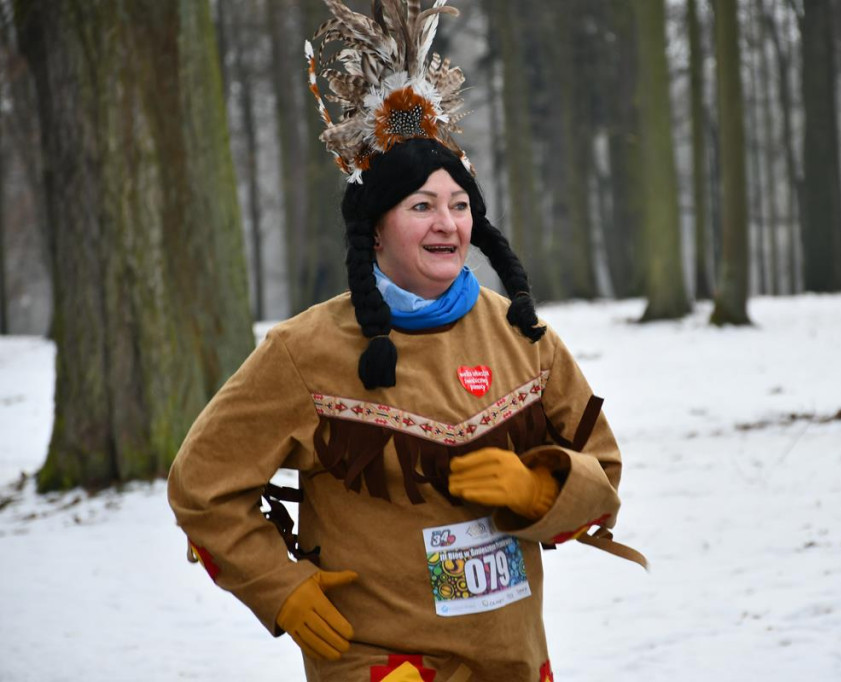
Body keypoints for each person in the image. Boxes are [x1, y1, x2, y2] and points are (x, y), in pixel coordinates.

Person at [167, 2, 642, 681]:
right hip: (380, 665)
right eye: (421, 205)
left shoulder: (524, 336)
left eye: (458, 204)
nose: (446, 222)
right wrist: (281, 586)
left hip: (511, 659)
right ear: (377, 228)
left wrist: (539, 487)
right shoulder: (305, 351)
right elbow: (202, 485)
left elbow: (604, 470)